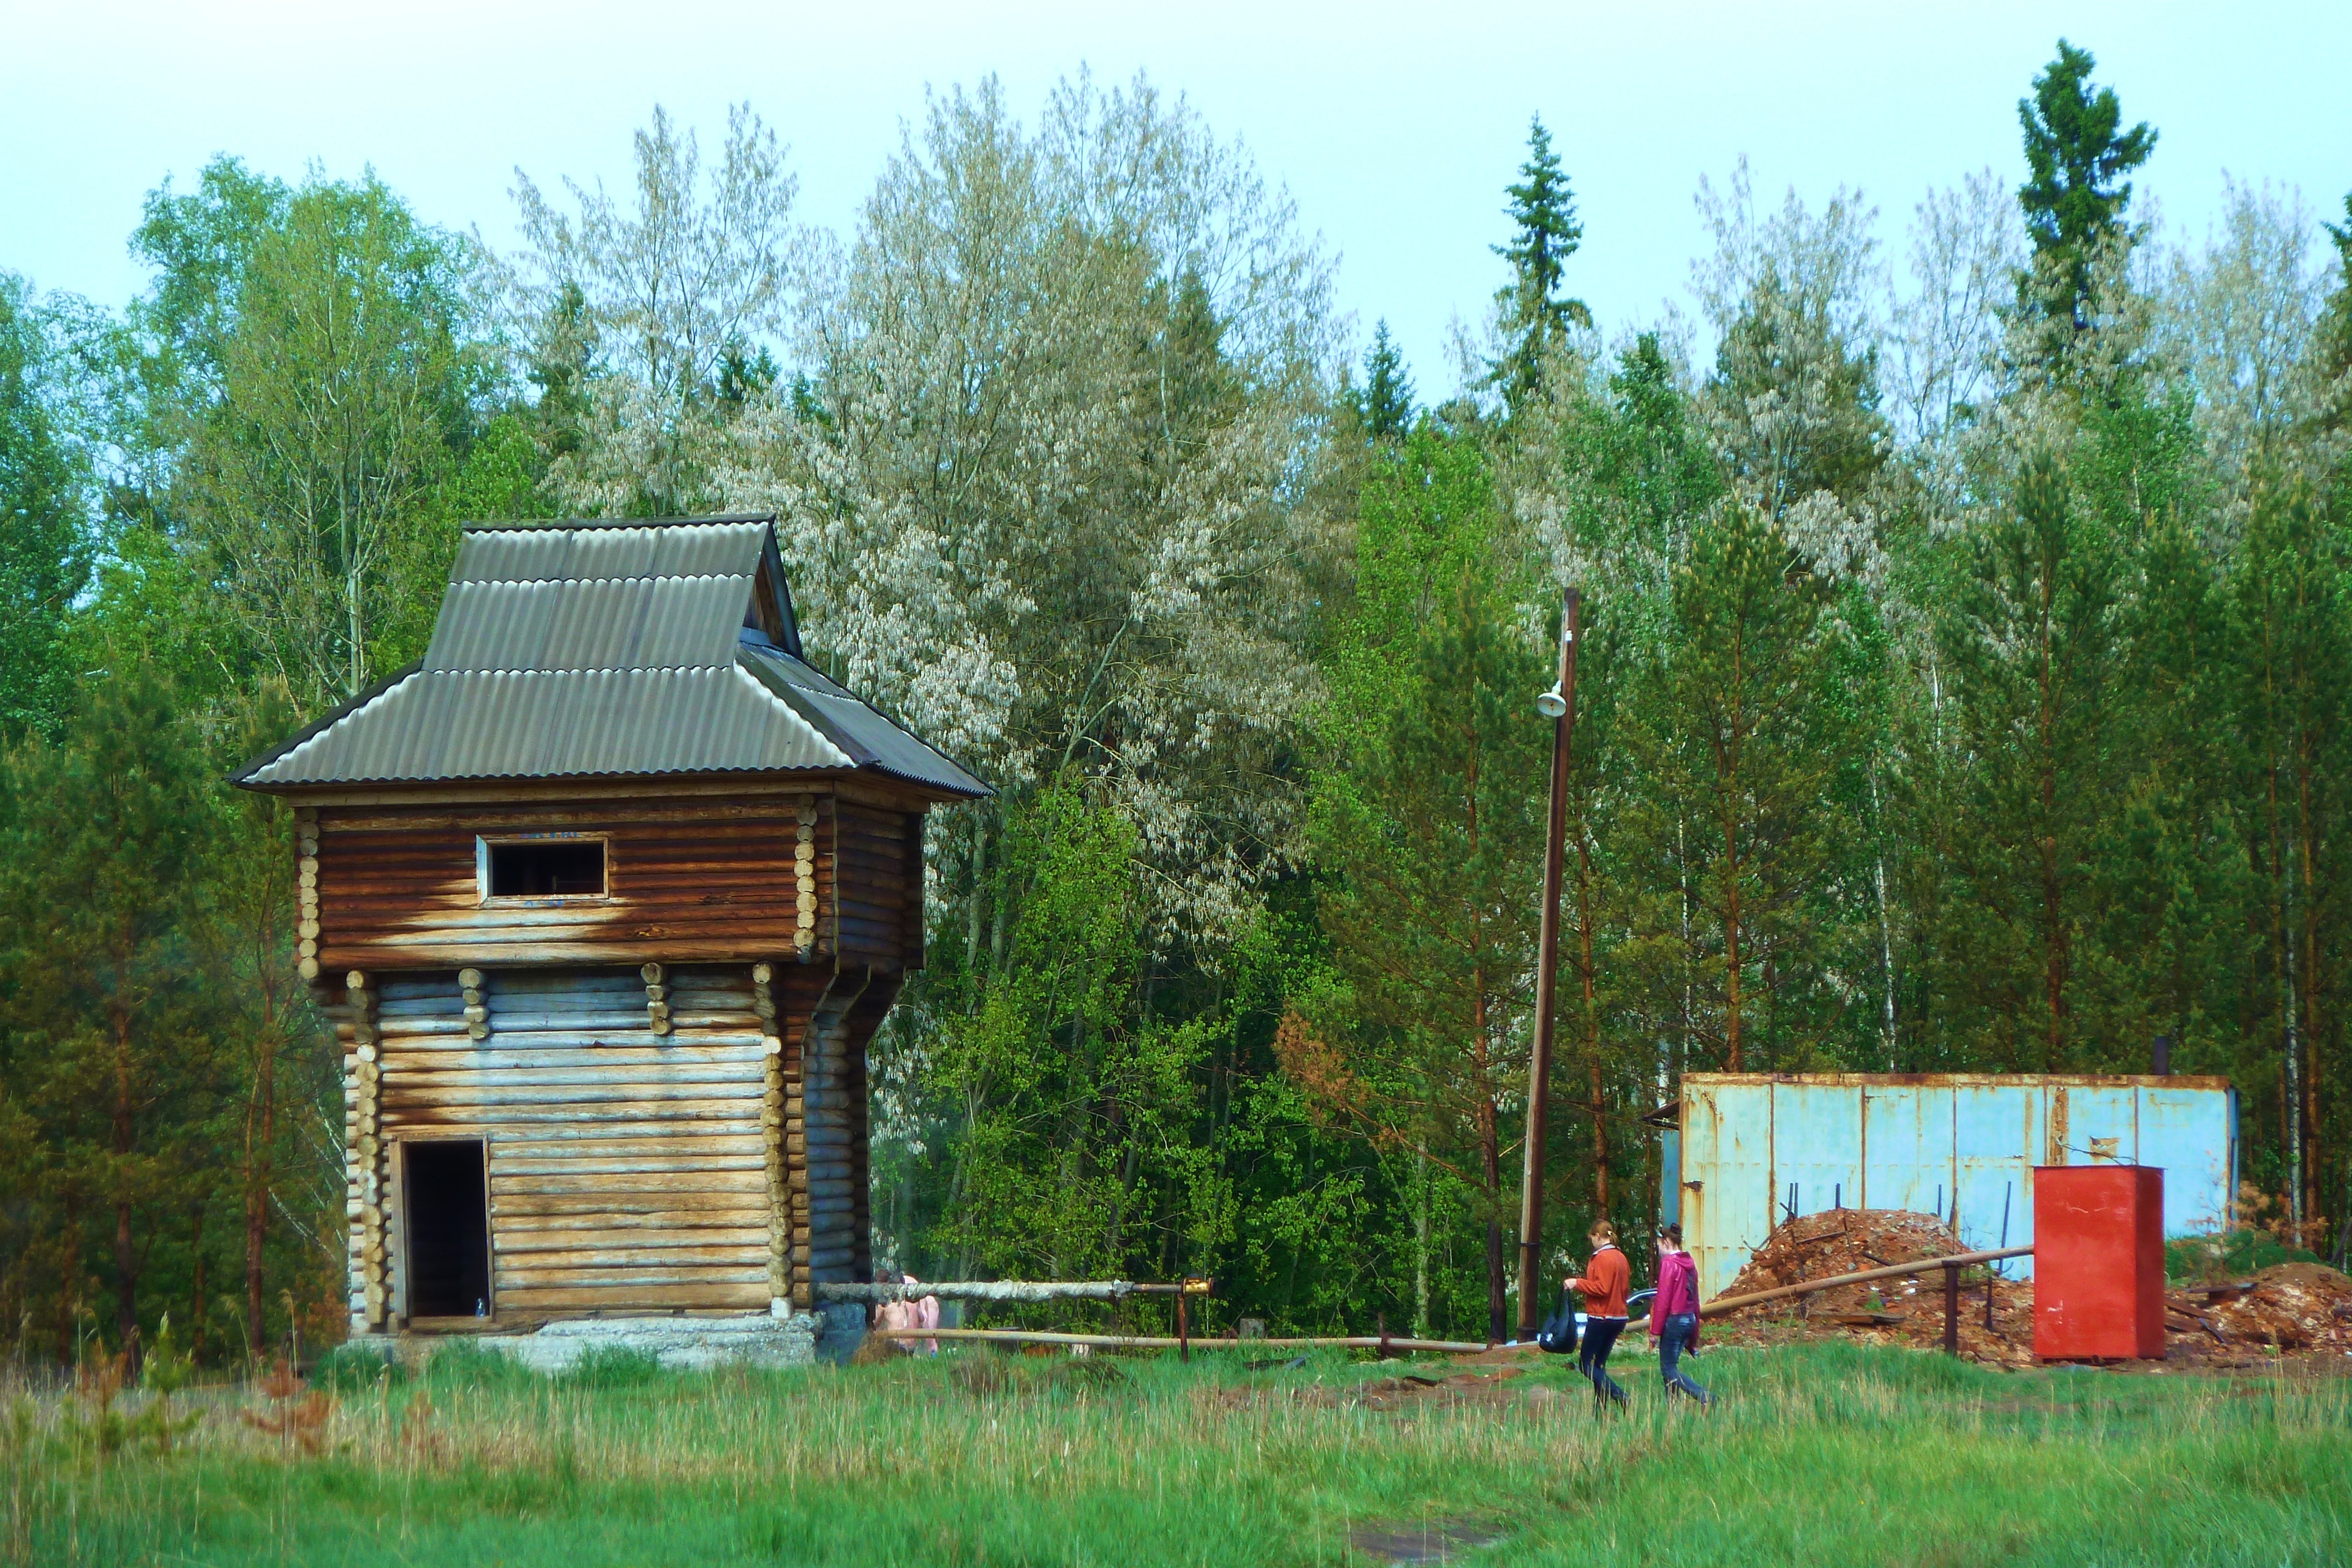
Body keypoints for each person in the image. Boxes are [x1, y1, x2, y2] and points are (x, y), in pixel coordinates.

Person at [1647, 1223, 1713, 1408]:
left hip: (1674, 1320)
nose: (1658, 1248)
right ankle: (1672, 1410)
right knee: (1671, 1368)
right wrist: (1694, 1336)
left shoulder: (1669, 1264)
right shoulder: (1689, 1264)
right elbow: (1696, 1299)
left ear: (1667, 1242)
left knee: (1668, 1368)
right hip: (1689, 1318)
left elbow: (1663, 1301)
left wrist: (1655, 1331)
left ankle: (1704, 1396)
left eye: (1659, 1244)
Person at [1565, 1220, 1630, 1408]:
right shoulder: (1621, 1257)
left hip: (1602, 1316)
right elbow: (1624, 1289)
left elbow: (1602, 1288)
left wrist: (1577, 1283)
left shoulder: (1602, 1258)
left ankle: (1620, 1395)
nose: (1592, 1241)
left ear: (1598, 1237)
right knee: (1599, 1366)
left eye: (1592, 1238)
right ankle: (1599, 1410)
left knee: (1586, 1365)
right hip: (1619, 1316)